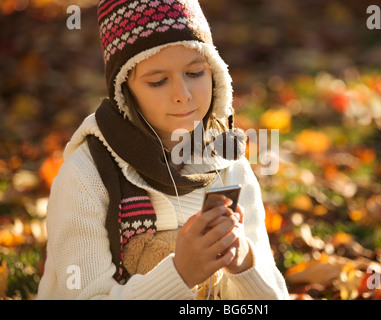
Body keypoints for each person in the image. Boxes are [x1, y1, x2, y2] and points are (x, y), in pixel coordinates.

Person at [37, 0, 290, 300]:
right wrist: (179, 275)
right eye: (158, 81)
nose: (182, 95)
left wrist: (245, 262)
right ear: (124, 88)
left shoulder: (228, 165)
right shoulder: (86, 175)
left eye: (195, 73)